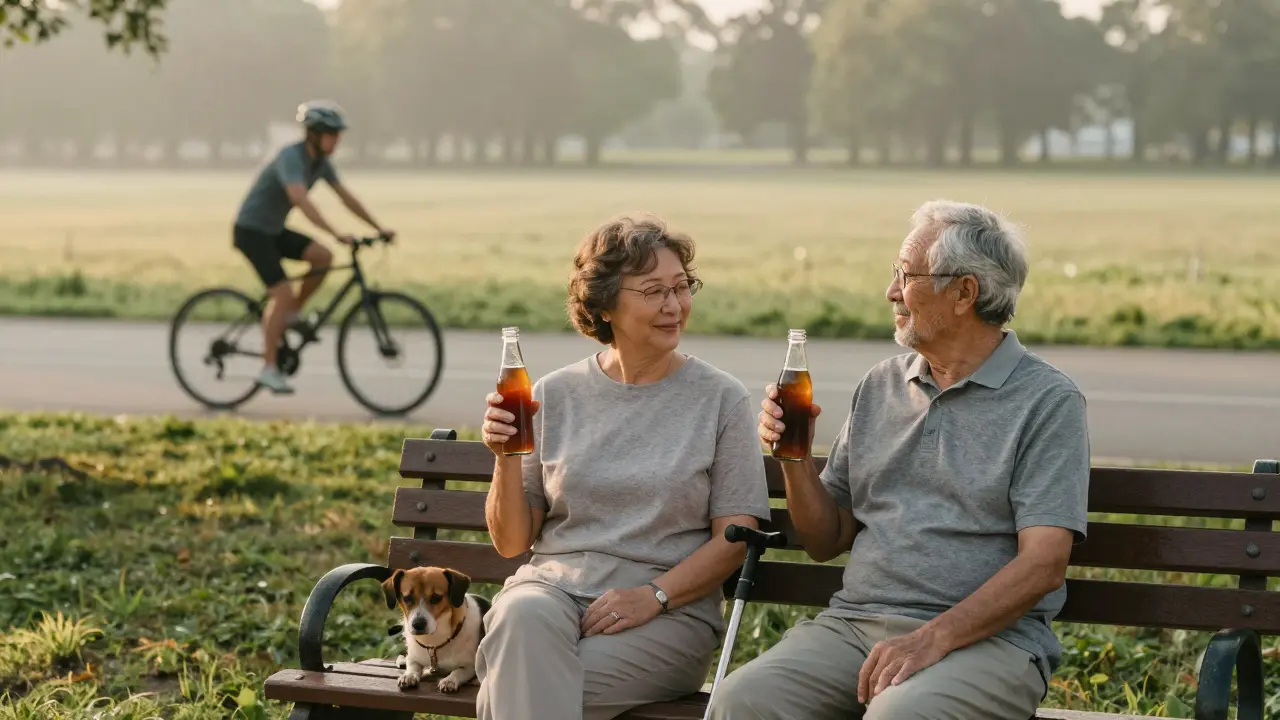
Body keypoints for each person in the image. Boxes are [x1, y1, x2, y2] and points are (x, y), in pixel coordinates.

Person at [707, 200, 1090, 720]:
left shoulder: (1047, 402)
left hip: (988, 644)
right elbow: (825, 541)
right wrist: (793, 458)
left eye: (906, 276)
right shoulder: (881, 384)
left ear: (964, 293)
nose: (891, 291)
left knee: (899, 716)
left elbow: (1044, 564)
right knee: (741, 701)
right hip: (855, 628)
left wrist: (933, 638)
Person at [475, 214, 772, 720]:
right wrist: (505, 459)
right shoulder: (552, 394)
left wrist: (653, 596)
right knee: (521, 620)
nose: (674, 306)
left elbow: (738, 534)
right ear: (605, 305)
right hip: (551, 593)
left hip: (667, 612)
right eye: (654, 291)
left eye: (681, 288)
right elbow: (510, 542)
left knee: (522, 684)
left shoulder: (720, 399)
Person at [231, 99, 394, 395]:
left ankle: (292, 313)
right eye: (332, 134)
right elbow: (300, 199)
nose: (337, 140)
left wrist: (378, 227)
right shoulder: (290, 157)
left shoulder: (321, 163)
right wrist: (335, 232)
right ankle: (268, 369)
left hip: (273, 229)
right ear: (314, 135)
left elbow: (346, 197)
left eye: (338, 135)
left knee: (323, 257)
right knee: (280, 294)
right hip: (251, 231)